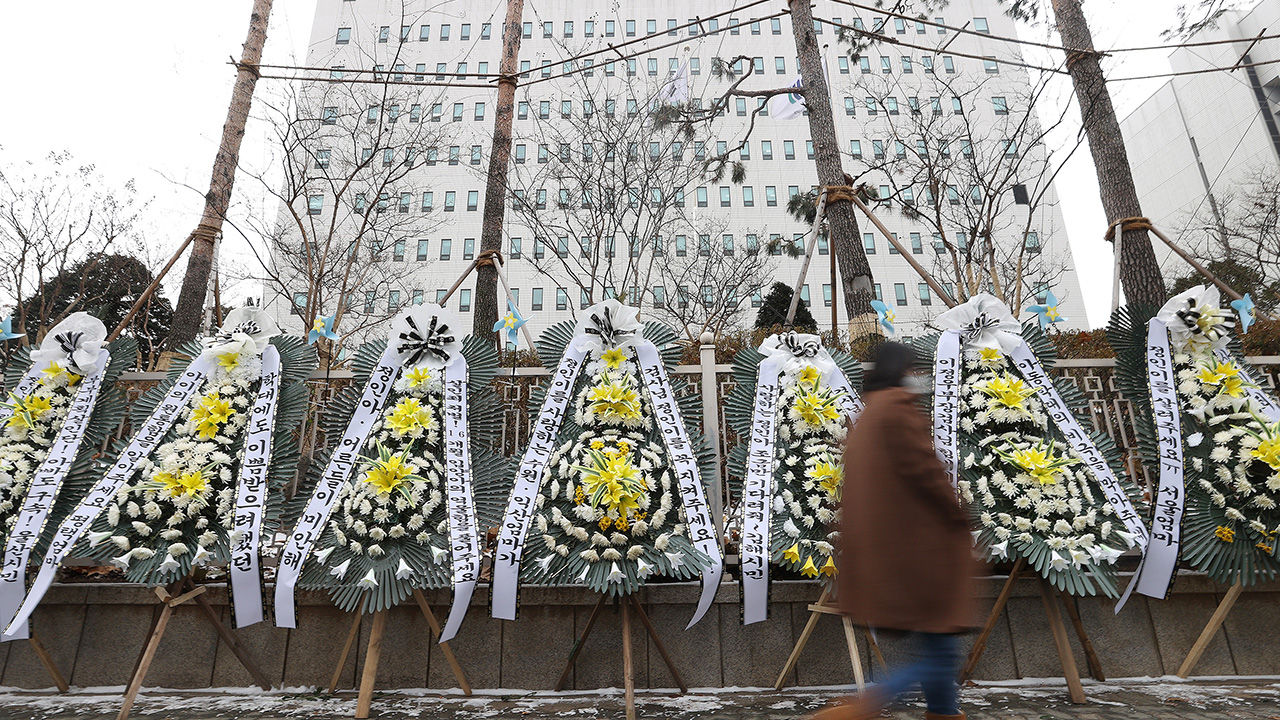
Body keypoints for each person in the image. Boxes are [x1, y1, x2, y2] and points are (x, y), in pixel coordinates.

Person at [814, 342, 977, 720]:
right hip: (921, 550)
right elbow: (928, 474)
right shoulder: (898, 411)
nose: (918, 378)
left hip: (892, 551)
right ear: (902, 371)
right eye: (914, 370)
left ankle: (943, 712)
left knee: (937, 643)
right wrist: (958, 517)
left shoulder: (869, 415)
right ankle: (860, 708)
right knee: (939, 648)